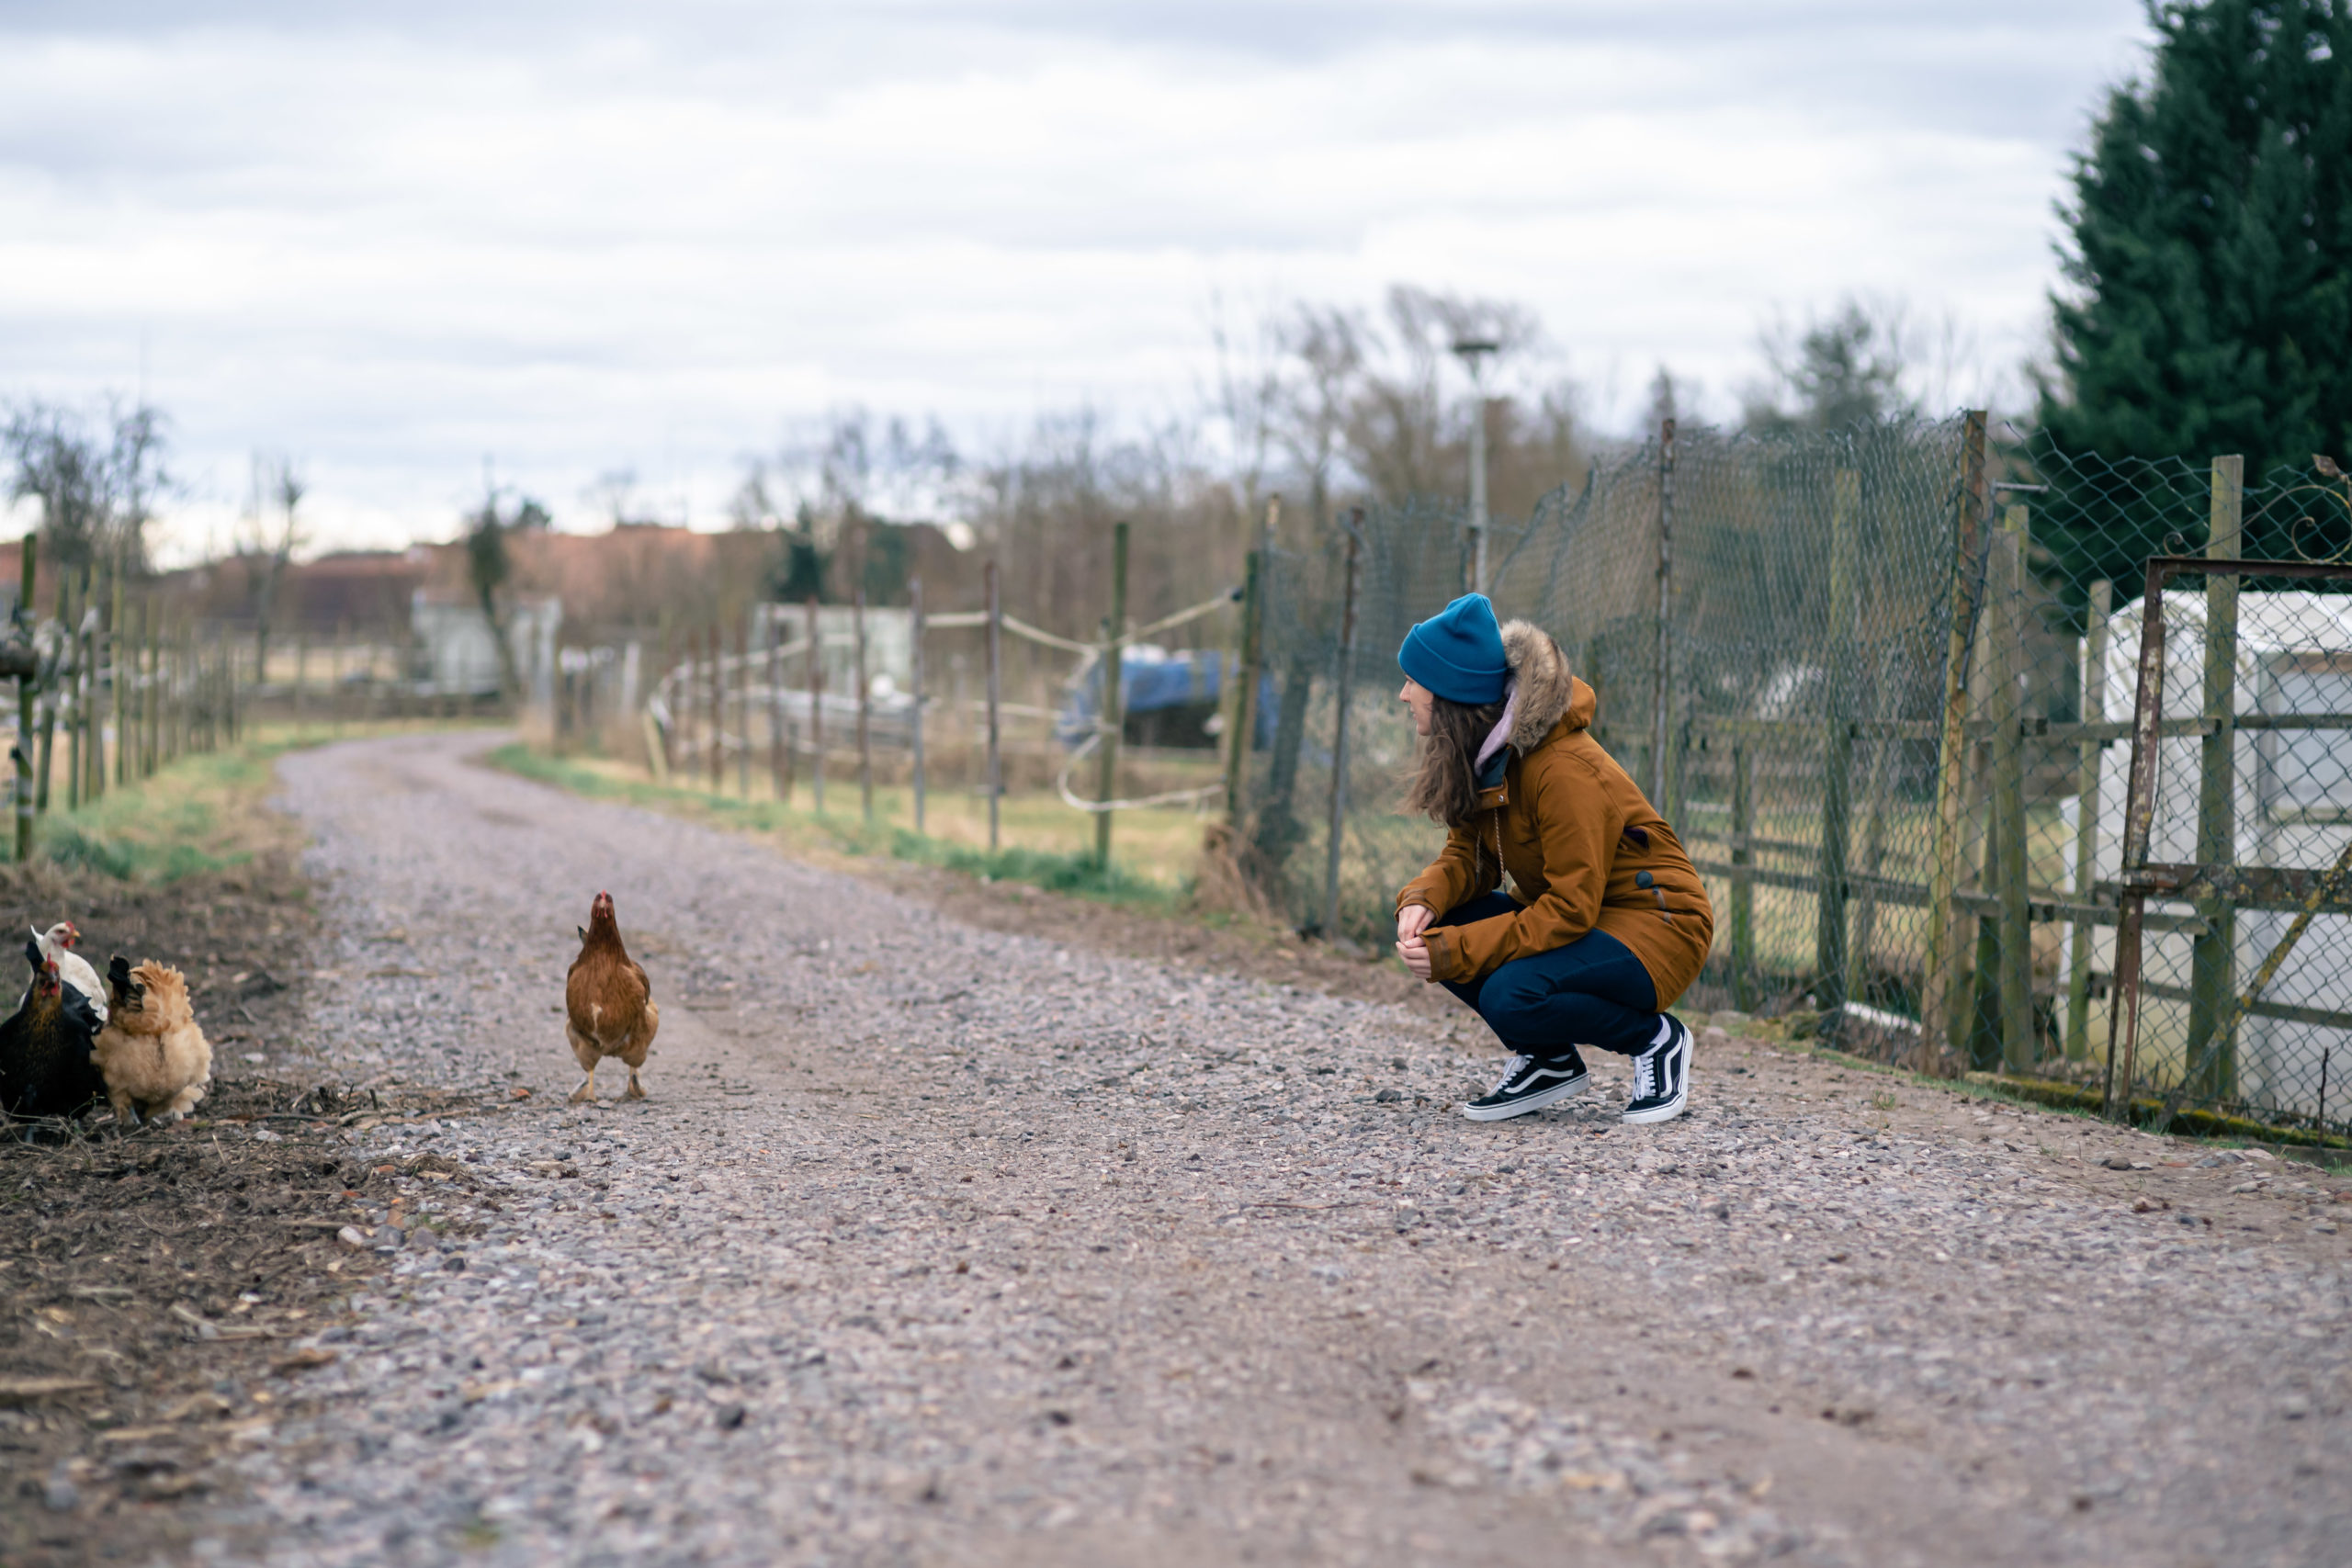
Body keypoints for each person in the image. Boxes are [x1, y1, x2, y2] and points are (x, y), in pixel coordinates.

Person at [1391, 593, 1713, 1123]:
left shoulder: (1560, 769)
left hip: (1659, 924)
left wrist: (1455, 949)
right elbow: (1472, 856)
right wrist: (1423, 902)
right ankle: (1548, 1059)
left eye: (1413, 681)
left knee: (1511, 994)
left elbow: (1569, 908)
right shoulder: (1489, 755)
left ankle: (1657, 1040)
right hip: (1589, 918)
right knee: (1440, 923)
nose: (1404, 695)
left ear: (1448, 691)